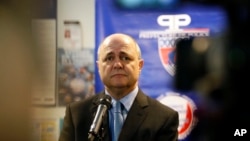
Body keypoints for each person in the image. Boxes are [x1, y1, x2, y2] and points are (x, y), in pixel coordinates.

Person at [59, 33, 179, 141]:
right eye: (109, 58)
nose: (117, 64)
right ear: (99, 67)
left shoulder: (164, 118)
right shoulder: (76, 114)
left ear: (139, 65)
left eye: (125, 58)